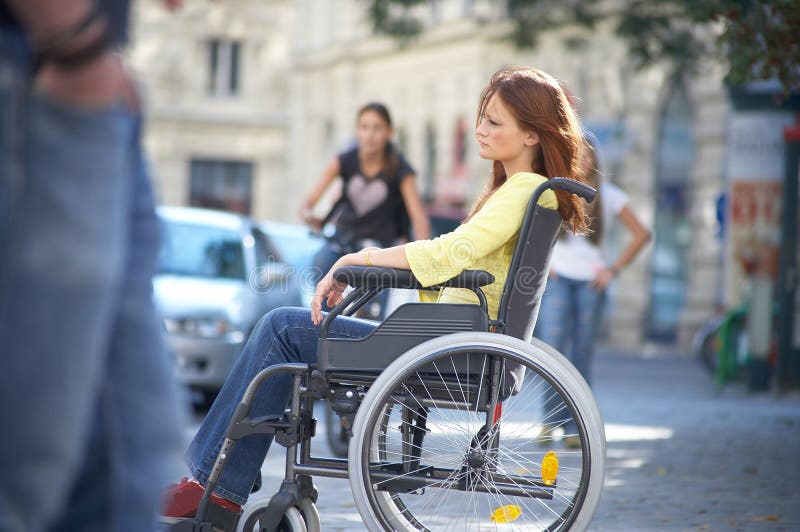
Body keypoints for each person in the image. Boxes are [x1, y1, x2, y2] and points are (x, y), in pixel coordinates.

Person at [162, 65, 589, 529]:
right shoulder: (527, 192)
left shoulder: (522, 189)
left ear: (531, 134)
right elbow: (459, 261)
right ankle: (220, 490)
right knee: (286, 331)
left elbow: (450, 253)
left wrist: (360, 260)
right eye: (481, 118)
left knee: (281, 329)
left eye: (494, 122)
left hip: (444, 346)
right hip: (449, 341)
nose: (479, 129)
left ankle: (215, 490)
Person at [0, 1, 184, 531]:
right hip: (42, 69)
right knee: (29, 466)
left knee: (130, 454)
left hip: (77, 76)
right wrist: (74, 41)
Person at [535, 139, 650, 448]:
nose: (584, 159)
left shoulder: (609, 196)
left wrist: (612, 270)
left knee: (581, 353)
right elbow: (530, 228)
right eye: (578, 153)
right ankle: (549, 421)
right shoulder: (558, 190)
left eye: (589, 154)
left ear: (596, 158)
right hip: (558, 280)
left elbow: (642, 234)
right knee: (552, 351)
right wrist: (545, 265)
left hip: (591, 283)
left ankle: (575, 427)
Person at [298, 102, 431, 309]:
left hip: (380, 250)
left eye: (377, 128)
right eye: (364, 127)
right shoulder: (344, 161)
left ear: (389, 132)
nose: (370, 135)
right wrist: (309, 217)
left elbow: (419, 220)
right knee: (322, 263)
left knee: (375, 305)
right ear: (357, 130)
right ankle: (320, 327)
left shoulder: (400, 169)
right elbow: (307, 204)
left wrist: (422, 256)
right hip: (343, 244)